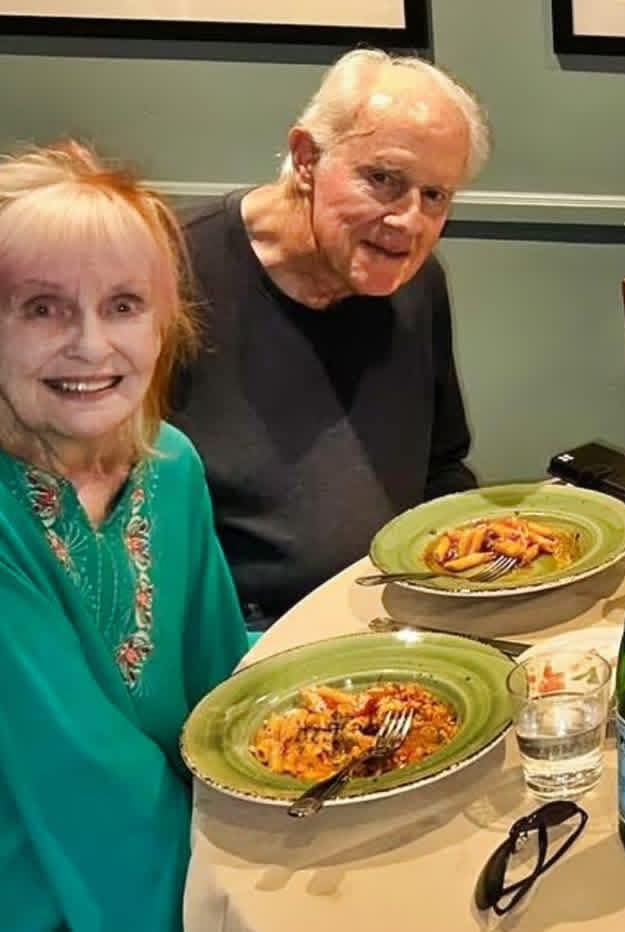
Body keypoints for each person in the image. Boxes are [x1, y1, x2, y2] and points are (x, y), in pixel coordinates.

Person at [0, 140, 247, 930]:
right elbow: (83, 782)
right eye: (42, 308)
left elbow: (223, 687)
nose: (90, 344)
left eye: (123, 305)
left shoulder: (171, 465)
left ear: (165, 323)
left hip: (183, 847)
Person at [172, 48, 491, 630]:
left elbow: (442, 467)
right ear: (306, 159)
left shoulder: (418, 283)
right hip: (241, 636)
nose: (409, 221)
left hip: (401, 613)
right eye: (383, 180)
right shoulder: (171, 272)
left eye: (435, 196)